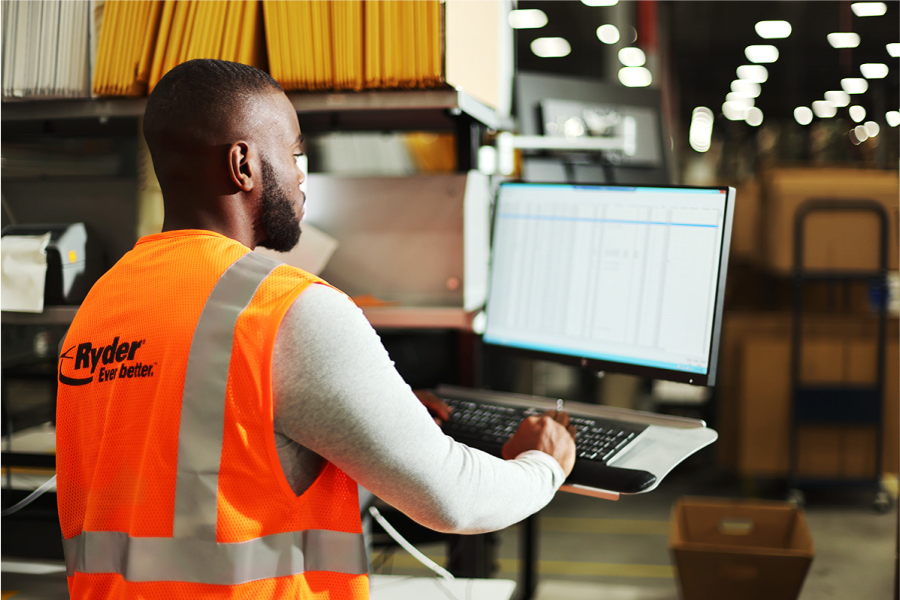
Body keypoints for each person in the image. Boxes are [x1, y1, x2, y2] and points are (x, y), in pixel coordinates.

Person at [56, 58, 576, 600]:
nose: (303, 173)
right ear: (243, 164)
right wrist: (543, 464)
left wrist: (373, 414)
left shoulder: (103, 302)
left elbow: (185, 459)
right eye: (294, 151)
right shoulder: (284, 308)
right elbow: (454, 500)